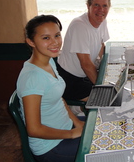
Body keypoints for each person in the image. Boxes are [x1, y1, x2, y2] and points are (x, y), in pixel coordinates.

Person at [17, 15, 85, 162]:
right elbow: (34, 129)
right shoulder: (33, 78)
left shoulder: (49, 61)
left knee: (107, 126)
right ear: (31, 42)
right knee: (108, 147)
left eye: (57, 35)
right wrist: (72, 134)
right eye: (46, 38)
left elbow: (59, 97)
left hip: (66, 127)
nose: (55, 42)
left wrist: (76, 122)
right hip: (51, 147)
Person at [57, 0, 110, 101]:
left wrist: (101, 66)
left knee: (114, 87)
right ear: (88, 6)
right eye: (96, 5)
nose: (101, 10)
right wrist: (101, 87)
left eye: (104, 6)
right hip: (69, 79)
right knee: (104, 99)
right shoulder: (79, 26)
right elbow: (85, 64)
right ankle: (80, 110)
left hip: (84, 75)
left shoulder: (102, 20)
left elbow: (101, 45)